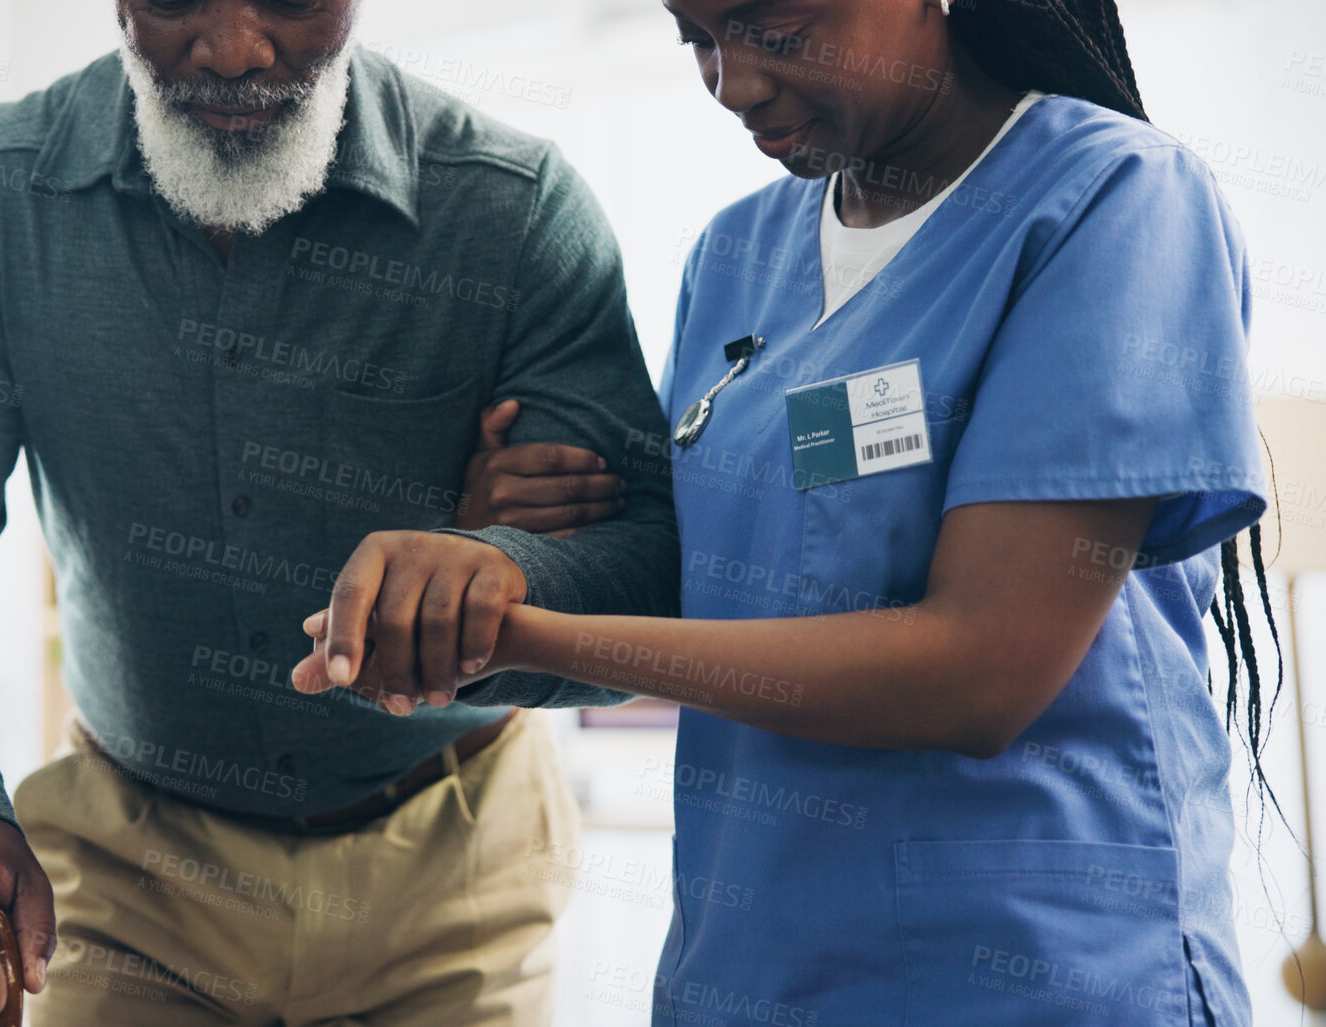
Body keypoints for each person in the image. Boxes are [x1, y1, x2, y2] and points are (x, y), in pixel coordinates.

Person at [294, 0, 1281, 1023]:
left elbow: (980, 674)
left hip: (1029, 967)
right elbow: (700, 589)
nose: (736, 83)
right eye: (700, 40)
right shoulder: (736, 258)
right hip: (754, 973)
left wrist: (526, 630)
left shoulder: (1115, 198)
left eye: (778, 29)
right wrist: (499, 562)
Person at [0, 0, 683, 1022]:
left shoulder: (516, 212)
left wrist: (500, 576)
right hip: (132, 870)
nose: (232, 51)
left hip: (452, 866)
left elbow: (642, 564)